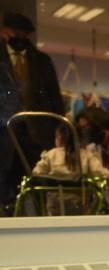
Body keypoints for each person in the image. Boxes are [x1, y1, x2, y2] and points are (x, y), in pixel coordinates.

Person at [0, 11, 63, 214]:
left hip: (37, 135)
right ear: (5, 31)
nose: (20, 37)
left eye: (25, 34)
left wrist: (59, 129)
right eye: (16, 32)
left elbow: (54, 97)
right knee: (5, 185)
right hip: (5, 134)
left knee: (38, 186)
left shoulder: (42, 61)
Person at [32, 123, 107, 215]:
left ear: (59, 138)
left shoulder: (51, 155)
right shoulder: (85, 155)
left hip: (55, 205)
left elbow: (37, 172)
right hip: (80, 204)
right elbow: (99, 173)